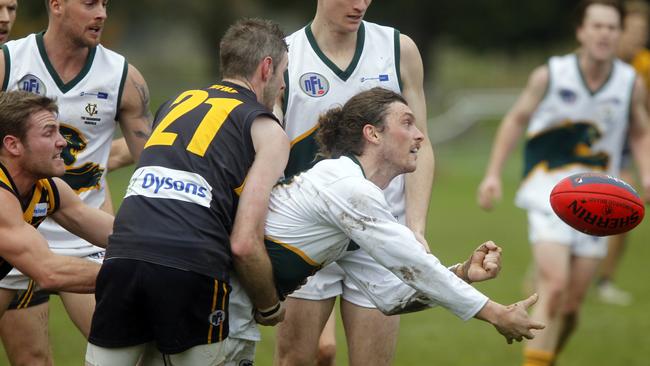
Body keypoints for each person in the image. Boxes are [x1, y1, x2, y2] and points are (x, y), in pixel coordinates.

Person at [224, 87, 545, 365]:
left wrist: (461, 273)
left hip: (229, 315)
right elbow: (415, 265)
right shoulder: (349, 188)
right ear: (372, 133)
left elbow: (391, 296)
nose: (420, 135)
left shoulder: (351, 206)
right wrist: (496, 314)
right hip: (213, 304)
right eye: (407, 123)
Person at [85, 17, 289, 366]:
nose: (284, 84)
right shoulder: (267, 131)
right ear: (267, 67)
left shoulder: (176, 103)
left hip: (123, 257)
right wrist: (269, 304)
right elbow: (244, 243)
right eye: (284, 73)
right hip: (190, 267)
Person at [477, 1, 650, 365]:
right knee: (553, 288)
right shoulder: (550, 75)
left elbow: (639, 130)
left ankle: (546, 355)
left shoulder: (629, 82)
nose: (605, 34)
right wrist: (493, 173)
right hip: (549, 192)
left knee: (571, 307)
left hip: (599, 196)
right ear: (581, 32)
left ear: (619, 35)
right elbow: (515, 120)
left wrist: (646, 173)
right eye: (597, 26)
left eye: (612, 28)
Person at [262, 1, 435, 365]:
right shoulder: (286, 57)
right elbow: (267, 154)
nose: (360, 4)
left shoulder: (398, 50)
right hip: (309, 236)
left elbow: (422, 142)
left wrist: (415, 229)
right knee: (298, 359)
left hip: (378, 232)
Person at [0, 0, 153, 364]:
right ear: (56, 5)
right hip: (13, 229)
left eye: (105, 3)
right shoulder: (8, 61)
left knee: (135, 348)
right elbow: (49, 272)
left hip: (76, 234)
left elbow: (150, 167)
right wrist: (129, 272)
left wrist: (163, 250)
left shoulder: (122, 77)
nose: (101, 12)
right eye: (89, 3)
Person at [0, 90, 114, 315]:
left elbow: (117, 234)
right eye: (48, 133)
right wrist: (135, 273)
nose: (62, 142)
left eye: (59, 132)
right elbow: (49, 272)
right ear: (13, 145)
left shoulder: (48, 188)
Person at [596, 0, 650, 306]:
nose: (639, 37)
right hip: (592, 147)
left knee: (628, 206)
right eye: (634, 30)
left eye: (644, 31)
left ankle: (605, 279)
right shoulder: (599, 60)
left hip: (625, 146)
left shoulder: (643, 65)